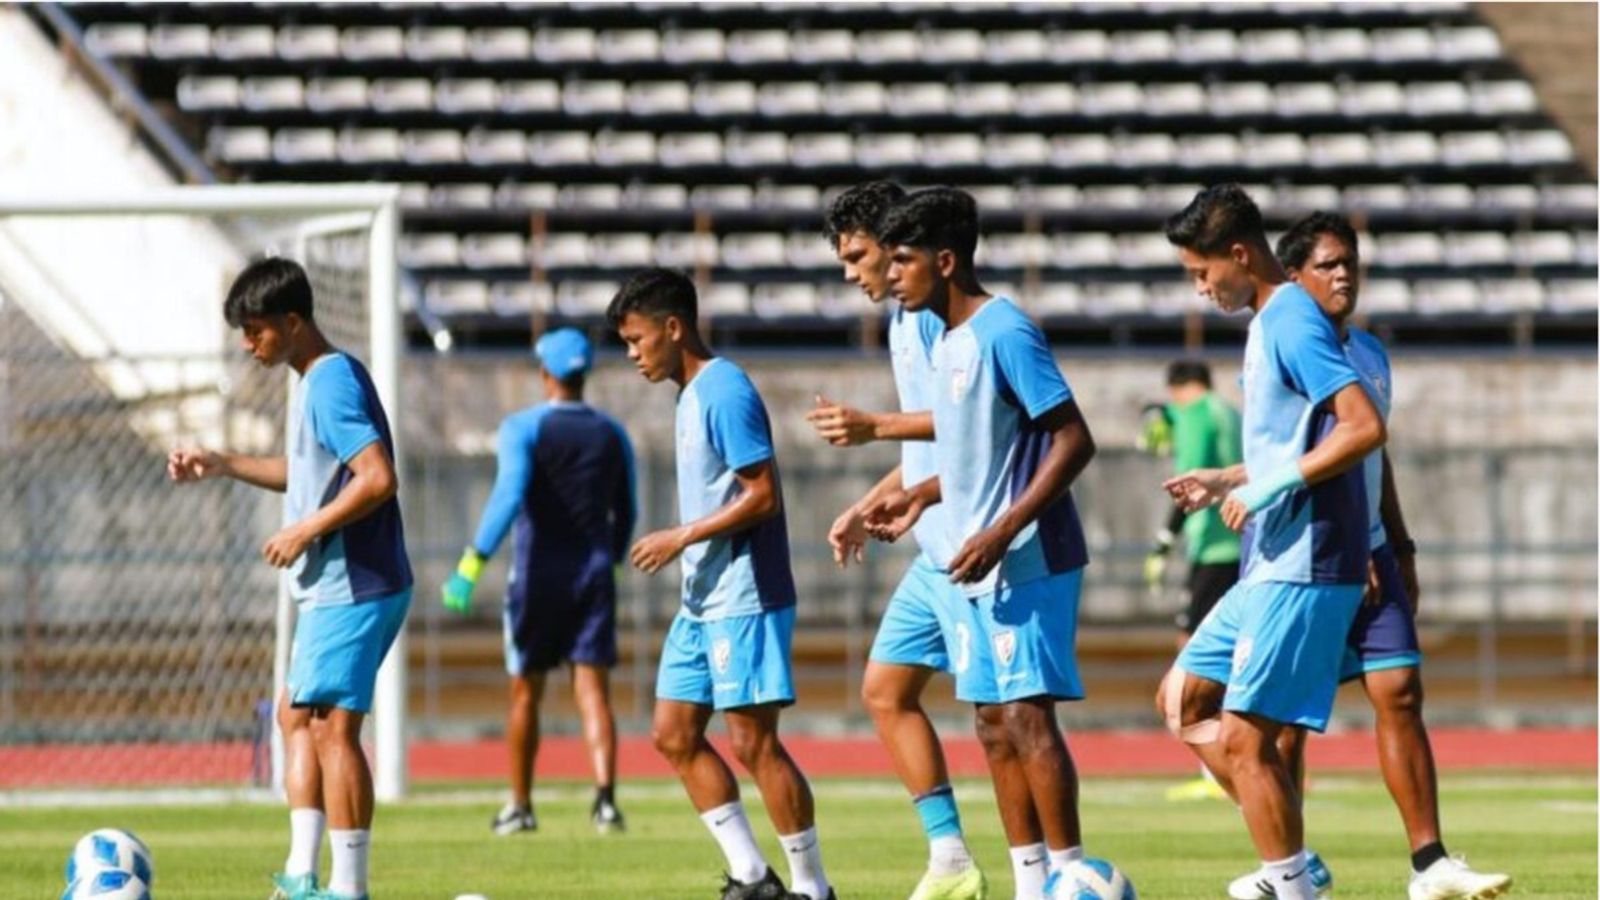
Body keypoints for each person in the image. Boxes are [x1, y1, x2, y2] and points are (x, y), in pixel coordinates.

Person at [1262, 212, 1511, 900]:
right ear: (1293, 278)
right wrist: (1344, 536)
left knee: (1400, 692)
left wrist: (1397, 542)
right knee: (1284, 719)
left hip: (1370, 546)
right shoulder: (1281, 347)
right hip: (1304, 553)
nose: (1344, 274)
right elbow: (1290, 456)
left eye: (1351, 262)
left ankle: (1429, 864)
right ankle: (1287, 862)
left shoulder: (1370, 352)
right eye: (1328, 264)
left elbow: (1374, 449)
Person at [866, 186, 1100, 900]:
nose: (891, 273)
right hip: (976, 561)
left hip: (1028, 557)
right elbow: (977, 457)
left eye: (902, 260)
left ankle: (1071, 875)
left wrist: (1001, 530)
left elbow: (1073, 438)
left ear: (944, 261)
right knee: (992, 724)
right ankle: (1031, 882)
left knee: (1028, 718)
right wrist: (917, 495)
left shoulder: (1005, 331)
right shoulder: (949, 342)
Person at [1157, 184, 1386, 900]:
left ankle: (1290, 882)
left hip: (1306, 560)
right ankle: (1293, 855)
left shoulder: (1291, 319)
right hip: (1270, 560)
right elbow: (1295, 444)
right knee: (1181, 701)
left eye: (1202, 273)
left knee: (1246, 738)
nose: (1200, 289)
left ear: (1237, 254)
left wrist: (1263, 492)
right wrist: (1229, 479)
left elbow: (1362, 426)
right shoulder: (1268, 324)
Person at [169, 257, 412, 900]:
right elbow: (308, 473)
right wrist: (222, 462)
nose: (250, 345)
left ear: (294, 320)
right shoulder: (317, 379)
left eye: (256, 331)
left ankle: (346, 887)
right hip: (345, 583)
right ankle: (303, 875)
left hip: (355, 581)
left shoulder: (330, 382)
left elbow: (378, 478)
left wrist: (305, 530)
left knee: (332, 726)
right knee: (294, 716)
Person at [608, 268, 836, 900]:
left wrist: (680, 536)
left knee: (752, 743)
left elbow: (762, 495)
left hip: (745, 594)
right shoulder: (688, 395)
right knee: (673, 733)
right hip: (702, 599)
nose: (632, 355)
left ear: (673, 328)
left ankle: (814, 888)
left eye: (636, 339)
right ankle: (752, 876)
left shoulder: (724, 390)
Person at [807, 181, 987, 900]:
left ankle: (1047, 868)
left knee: (1009, 723)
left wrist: (874, 425)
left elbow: (968, 423)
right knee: (885, 691)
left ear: (896, 247)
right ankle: (951, 859)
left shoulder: (940, 317)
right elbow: (928, 435)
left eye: (857, 256)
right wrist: (870, 500)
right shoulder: (902, 323)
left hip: (975, 545)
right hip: (931, 549)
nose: (851, 273)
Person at [440, 327, 635, 836]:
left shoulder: (522, 428)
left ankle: (522, 806)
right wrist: (612, 561)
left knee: (526, 692)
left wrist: (471, 565)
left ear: (545, 374)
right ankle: (606, 802)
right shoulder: (612, 433)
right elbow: (628, 509)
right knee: (593, 691)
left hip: (537, 577)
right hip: (594, 576)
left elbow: (508, 495)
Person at [1142, 361, 1243, 803]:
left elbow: (1191, 482)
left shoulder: (1197, 413)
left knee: (1195, 655)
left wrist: (1164, 543)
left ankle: (1216, 766)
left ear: (1178, 388)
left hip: (1216, 548)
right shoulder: (1228, 411)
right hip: (1243, 543)